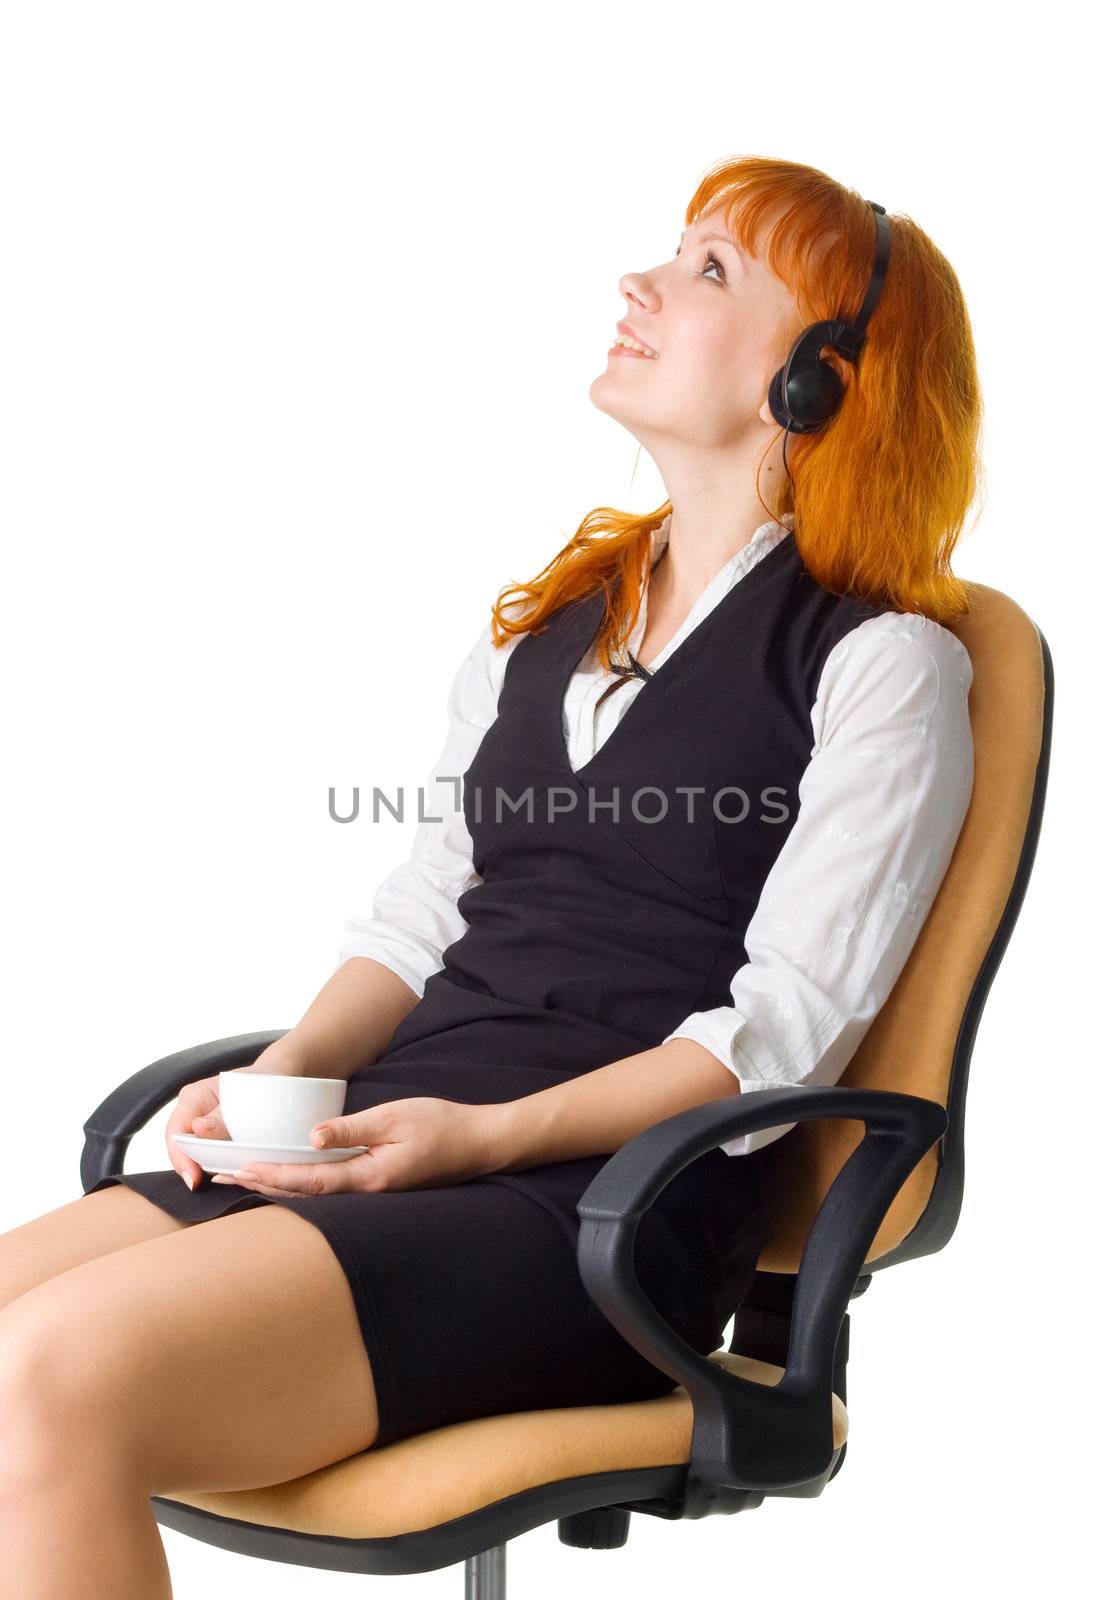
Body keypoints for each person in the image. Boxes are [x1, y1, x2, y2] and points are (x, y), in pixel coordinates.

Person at [0, 155, 977, 1592]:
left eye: (711, 272)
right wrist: (289, 1076)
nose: (638, 286)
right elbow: (421, 917)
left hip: (594, 1211)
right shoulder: (545, 632)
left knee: (56, 1372)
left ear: (822, 380)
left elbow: (771, 1032)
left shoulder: (882, 665)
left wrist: (474, 1138)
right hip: (392, 1147)